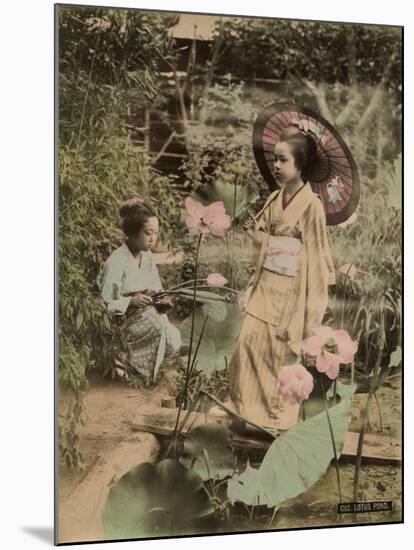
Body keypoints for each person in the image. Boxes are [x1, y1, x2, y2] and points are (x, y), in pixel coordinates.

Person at [227, 126, 336, 428]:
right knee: (246, 344)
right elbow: (265, 239)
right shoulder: (275, 197)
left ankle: (277, 420)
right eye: (275, 159)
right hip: (266, 284)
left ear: (300, 164)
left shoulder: (312, 205)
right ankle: (246, 412)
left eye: (283, 160)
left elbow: (315, 256)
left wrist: (312, 314)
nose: (276, 166)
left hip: (291, 291)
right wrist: (257, 235)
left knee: (279, 355)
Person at [97, 197, 181, 386]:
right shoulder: (117, 261)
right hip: (124, 319)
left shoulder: (148, 257)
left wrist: (161, 298)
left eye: (156, 233)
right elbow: (105, 301)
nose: (153, 238)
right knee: (158, 328)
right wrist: (130, 302)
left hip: (148, 313)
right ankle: (133, 370)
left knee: (173, 335)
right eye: (147, 233)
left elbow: (156, 287)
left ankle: (148, 373)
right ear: (132, 233)